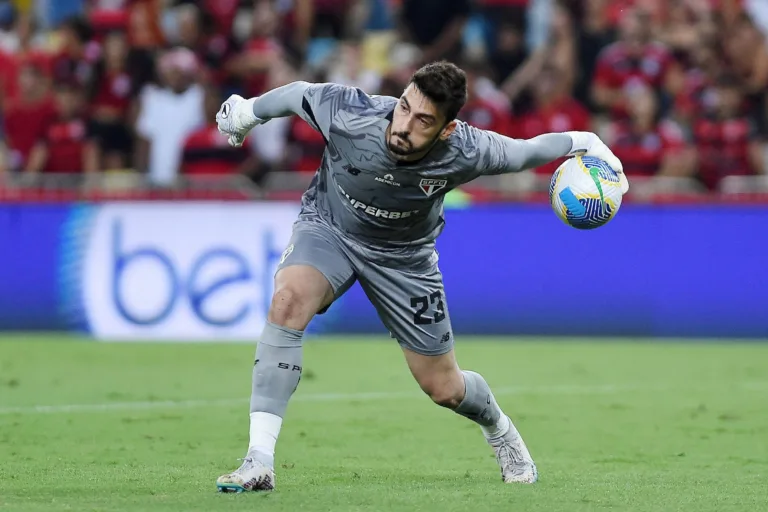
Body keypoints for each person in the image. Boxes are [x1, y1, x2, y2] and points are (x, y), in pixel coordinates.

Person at [214, 61, 628, 492]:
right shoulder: (352, 112)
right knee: (288, 301)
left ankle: (500, 429)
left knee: (444, 388)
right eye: (405, 108)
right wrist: (250, 111)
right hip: (330, 229)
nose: (404, 125)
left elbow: (525, 152)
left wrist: (585, 140)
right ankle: (258, 461)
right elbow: (298, 94)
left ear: (447, 129)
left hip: (405, 259)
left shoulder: (467, 149)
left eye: (424, 120)